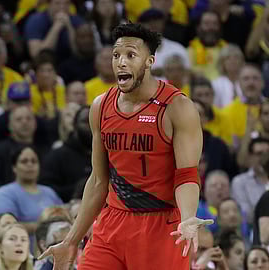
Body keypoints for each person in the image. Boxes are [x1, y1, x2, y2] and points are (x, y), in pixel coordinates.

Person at [39, 23, 213, 270]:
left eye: (131, 55)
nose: (121, 62)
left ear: (150, 61)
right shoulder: (101, 106)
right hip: (112, 222)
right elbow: (99, 181)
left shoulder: (177, 108)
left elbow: (186, 175)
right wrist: (71, 241)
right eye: (116, 55)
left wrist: (186, 218)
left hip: (162, 224)